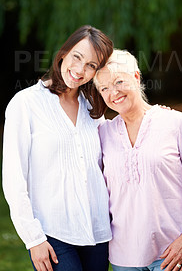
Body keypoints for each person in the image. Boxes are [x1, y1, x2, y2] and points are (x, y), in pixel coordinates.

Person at [93, 49, 182, 271]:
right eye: (104, 88)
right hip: (122, 256)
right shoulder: (102, 133)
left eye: (119, 81)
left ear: (137, 77)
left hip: (171, 253)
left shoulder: (176, 123)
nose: (113, 92)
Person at [2, 25, 113, 271]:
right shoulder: (25, 104)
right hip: (52, 233)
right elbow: (13, 178)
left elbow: (113, 158)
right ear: (64, 53)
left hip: (97, 231)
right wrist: (33, 238)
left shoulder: (93, 110)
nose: (80, 70)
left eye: (91, 65)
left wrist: (153, 117)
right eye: (77, 57)